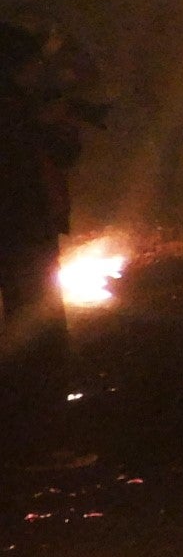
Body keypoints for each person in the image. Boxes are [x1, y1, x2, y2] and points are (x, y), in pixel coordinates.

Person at [0, 24, 85, 441]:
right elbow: (65, 149)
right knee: (39, 331)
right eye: (32, 63)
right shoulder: (23, 111)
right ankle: (40, 439)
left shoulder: (26, 107)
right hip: (24, 229)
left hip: (24, 227)